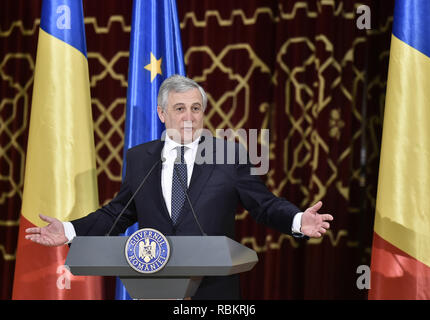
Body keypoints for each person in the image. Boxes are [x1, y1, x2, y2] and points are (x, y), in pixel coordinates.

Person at [25, 75, 334, 299]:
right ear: (162, 113)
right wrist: (69, 230)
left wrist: (296, 220)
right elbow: (119, 212)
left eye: (196, 108)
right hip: (155, 286)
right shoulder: (139, 159)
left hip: (213, 293)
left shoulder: (229, 156)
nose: (189, 117)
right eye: (180, 108)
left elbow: (263, 205)